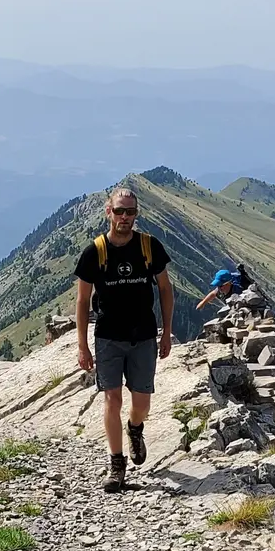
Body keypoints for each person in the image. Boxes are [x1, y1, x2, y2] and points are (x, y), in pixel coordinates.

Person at [75, 186, 175, 493]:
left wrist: (166, 332)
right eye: (119, 211)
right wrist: (82, 345)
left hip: (143, 335)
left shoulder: (149, 246)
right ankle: (117, 465)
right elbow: (82, 301)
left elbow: (165, 289)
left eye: (130, 212)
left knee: (141, 404)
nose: (125, 217)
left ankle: (135, 428)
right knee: (112, 399)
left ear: (136, 214)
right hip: (108, 337)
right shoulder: (95, 251)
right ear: (108, 212)